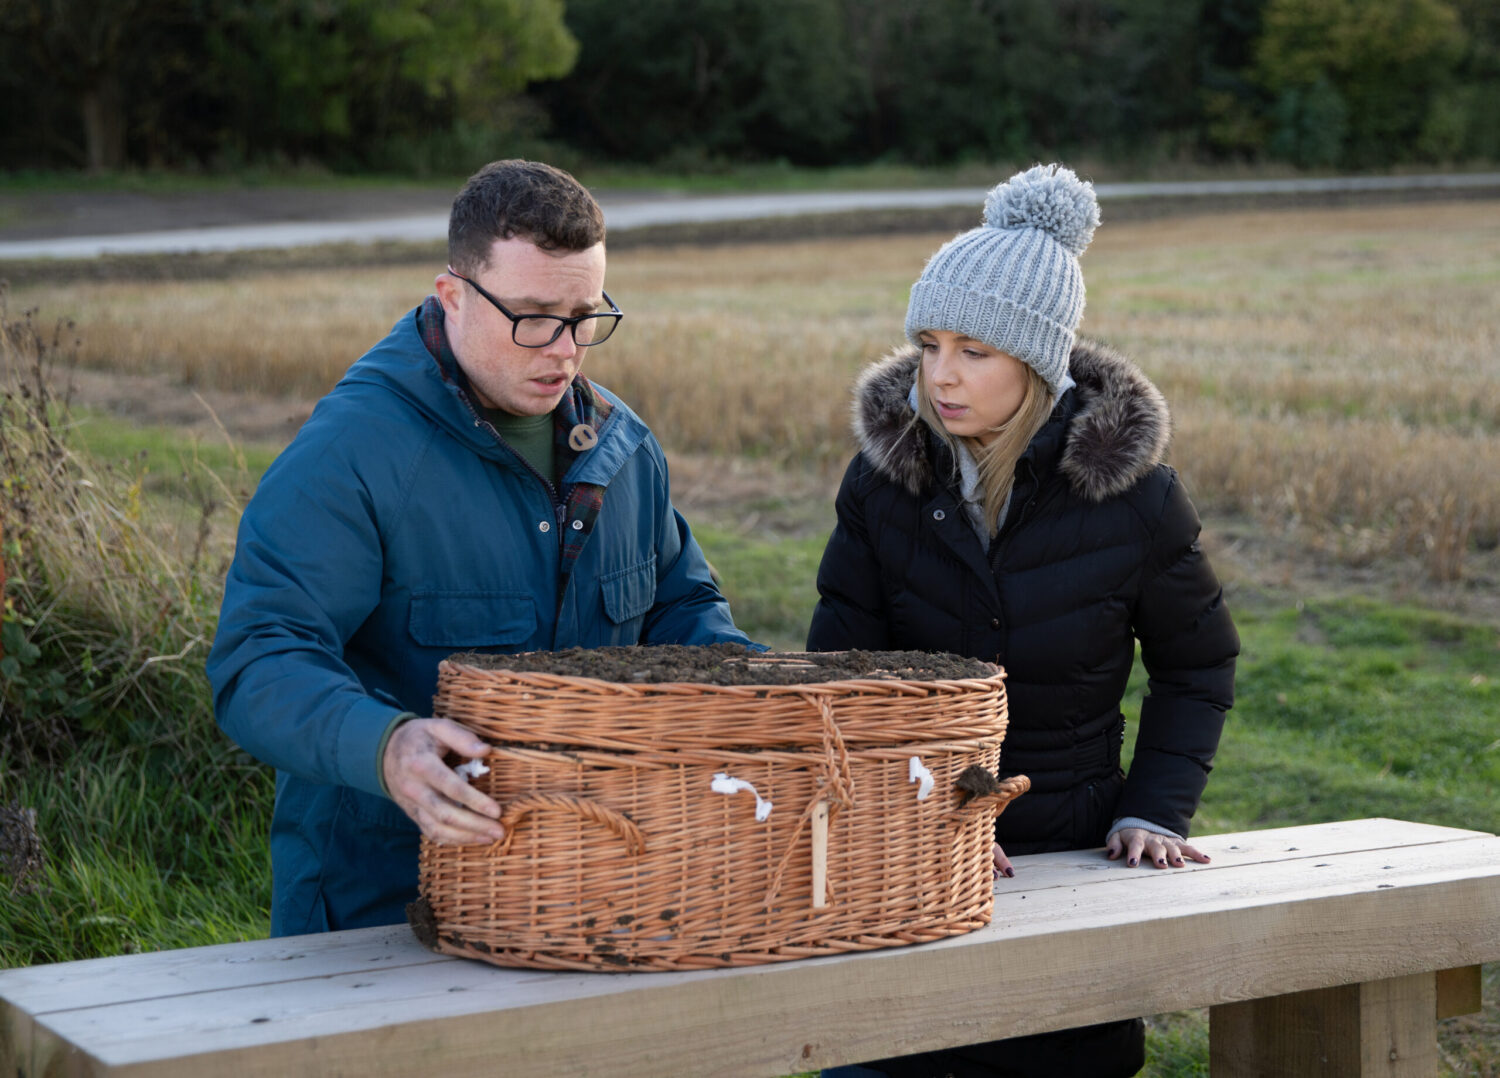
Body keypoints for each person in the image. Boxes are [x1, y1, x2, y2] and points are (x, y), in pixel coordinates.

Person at [207, 159, 755, 938]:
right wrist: (386, 747)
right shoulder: (351, 453)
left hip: (597, 888)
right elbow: (259, 658)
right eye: (534, 316)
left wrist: (780, 705)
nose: (565, 349)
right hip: (385, 908)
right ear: (453, 296)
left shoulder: (625, 451)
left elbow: (684, 612)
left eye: (585, 316)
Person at [807, 165, 1239, 1078]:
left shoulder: (1136, 499)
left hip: (1073, 858)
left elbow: (1197, 666)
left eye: (974, 350)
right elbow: (842, 680)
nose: (941, 374)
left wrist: (1154, 812)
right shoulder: (881, 485)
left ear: (1037, 364)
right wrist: (916, 818)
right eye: (930, 343)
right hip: (908, 861)